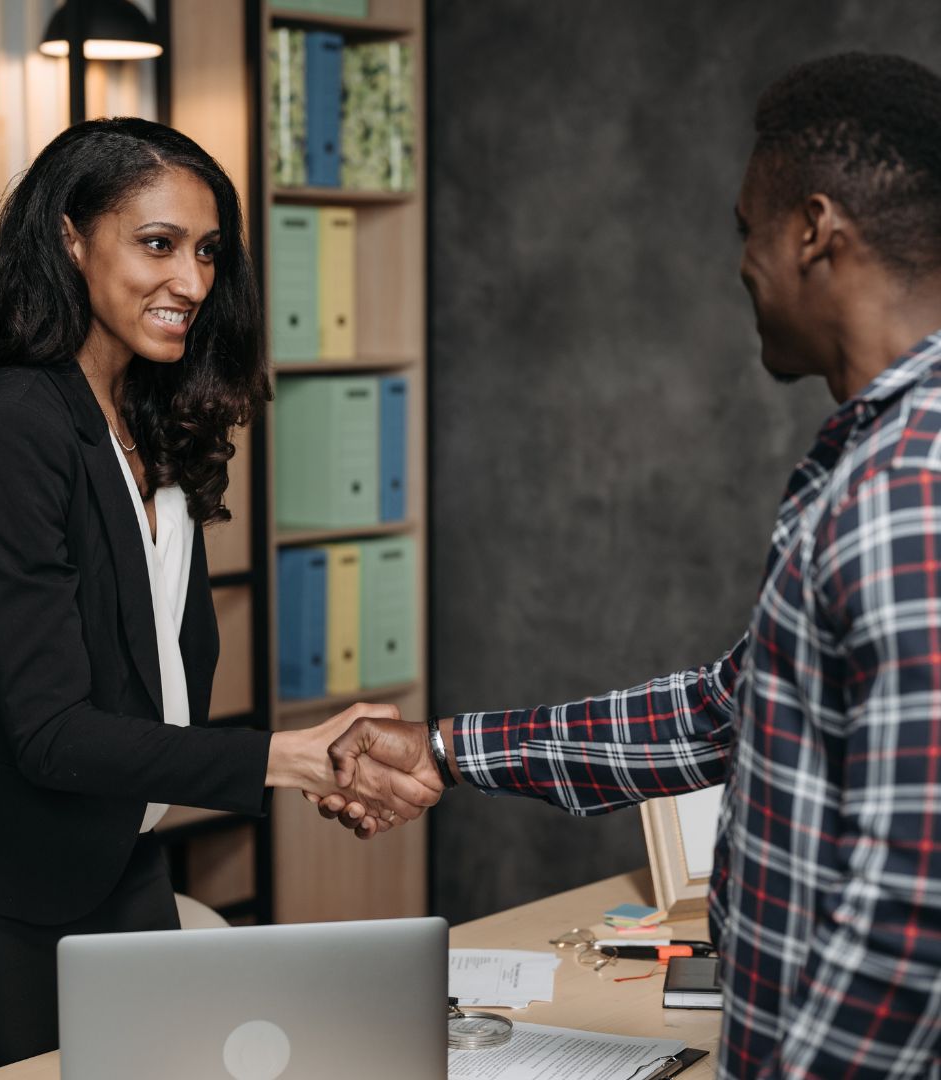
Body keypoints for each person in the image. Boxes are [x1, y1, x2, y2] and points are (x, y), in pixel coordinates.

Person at [319, 53, 941, 1078]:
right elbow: (723, 711)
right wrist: (444, 749)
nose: (742, 263)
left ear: (815, 230)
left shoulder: (905, 493)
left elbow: (914, 907)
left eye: (749, 230)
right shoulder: (872, 468)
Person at [0, 117, 433, 1080]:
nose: (194, 282)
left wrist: (302, 767)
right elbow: (49, 732)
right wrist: (290, 760)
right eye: (157, 244)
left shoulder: (142, 414)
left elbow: (150, 673)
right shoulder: (9, 427)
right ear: (71, 239)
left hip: (113, 852)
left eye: (208, 251)